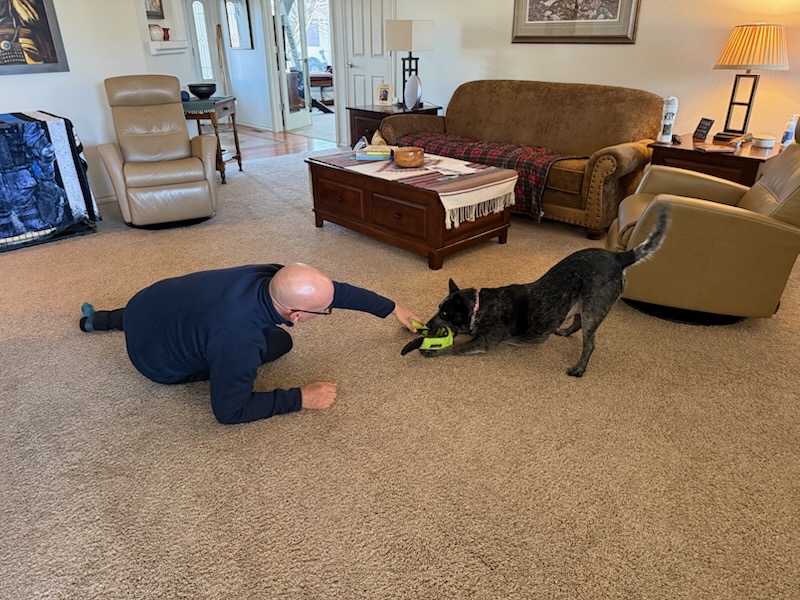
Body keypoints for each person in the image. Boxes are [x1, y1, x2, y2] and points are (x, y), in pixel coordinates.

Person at [79, 263, 423, 424]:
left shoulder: (272, 275)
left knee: (193, 312)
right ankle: (115, 326)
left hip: (143, 304)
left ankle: (99, 320)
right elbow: (229, 412)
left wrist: (393, 308)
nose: (328, 309)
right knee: (279, 343)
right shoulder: (241, 338)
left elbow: (334, 291)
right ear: (296, 314)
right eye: (324, 311)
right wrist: (300, 397)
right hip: (154, 362)